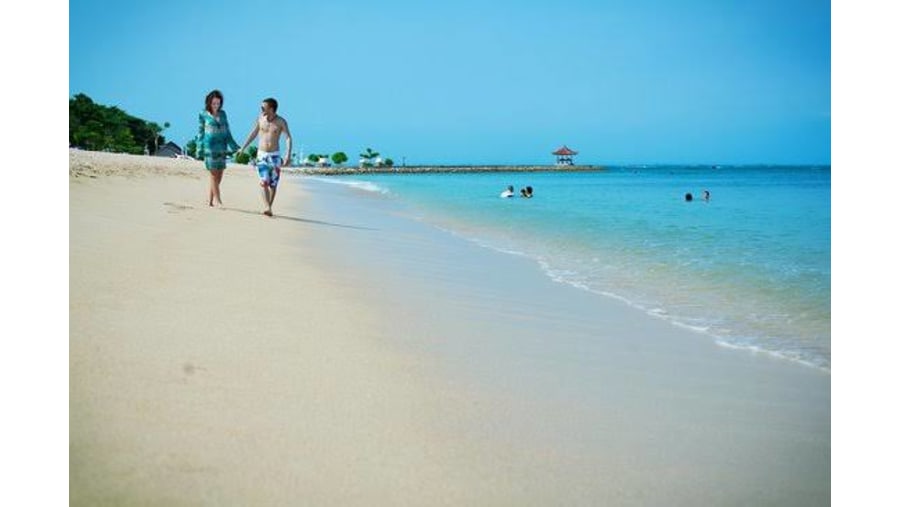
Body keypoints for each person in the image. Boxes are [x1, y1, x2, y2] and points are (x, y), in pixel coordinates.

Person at [237, 98, 293, 217]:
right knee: (264, 182)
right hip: (262, 155)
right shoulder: (260, 119)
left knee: (273, 184)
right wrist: (243, 147)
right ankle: (267, 206)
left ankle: (269, 208)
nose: (261, 109)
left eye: (263, 108)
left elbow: (288, 137)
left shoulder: (281, 122)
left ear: (271, 109)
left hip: (275, 156)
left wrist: (288, 154)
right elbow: (253, 133)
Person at [197, 90, 241, 207]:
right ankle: (218, 201)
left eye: (218, 103)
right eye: (214, 103)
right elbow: (200, 132)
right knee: (213, 174)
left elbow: (227, 131)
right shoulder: (203, 114)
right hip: (209, 147)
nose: (216, 105)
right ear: (209, 103)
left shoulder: (223, 114)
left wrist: (234, 146)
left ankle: (210, 201)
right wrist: (199, 148)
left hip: (222, 146)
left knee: (219, 175)